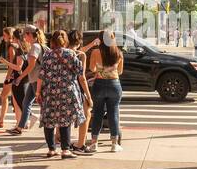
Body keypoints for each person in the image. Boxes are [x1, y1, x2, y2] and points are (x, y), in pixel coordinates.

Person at [36, 30, 91, 159]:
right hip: (67, 92)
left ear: (53, 41)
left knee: (48, 120)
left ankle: (51, 149)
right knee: (65, 120)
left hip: (50, 92)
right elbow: (79, 71)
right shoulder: (71, 54)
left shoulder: (48, 55)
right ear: (65, 41)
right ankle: (65, 150)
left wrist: (38, 92)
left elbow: (41, 76)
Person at [85, 29, 125, 153]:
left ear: (100, 39)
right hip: (114, 84)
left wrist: (100, 69)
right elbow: (119, 71)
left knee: (97, 114)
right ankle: (114, 144)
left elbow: (92, 68)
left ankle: (94, 143)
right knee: (113, 113)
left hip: (99, 84)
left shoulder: (96, 52)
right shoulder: (118, 53)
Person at [8, 26, 44, 136]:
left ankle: (52, 129)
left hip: (36, 80)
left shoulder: (35, 47)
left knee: (43, 104)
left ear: (29, 34)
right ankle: (20, 127)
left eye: (25, 35)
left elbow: (31, 65)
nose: (24, 37)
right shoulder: (37, 46)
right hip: (34, 79)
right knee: (26, 102)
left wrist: (20, 77)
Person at [0, 26, 22, 128]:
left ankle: (3, 121)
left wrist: (8, 77)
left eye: (4, 35)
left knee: (4, 96)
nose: (3, 37)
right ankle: (6, 120)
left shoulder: (11, 46)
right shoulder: (16, 45)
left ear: (9, 35)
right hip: (17, 74)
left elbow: (11, 63)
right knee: (15, 99)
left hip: (12, 75)